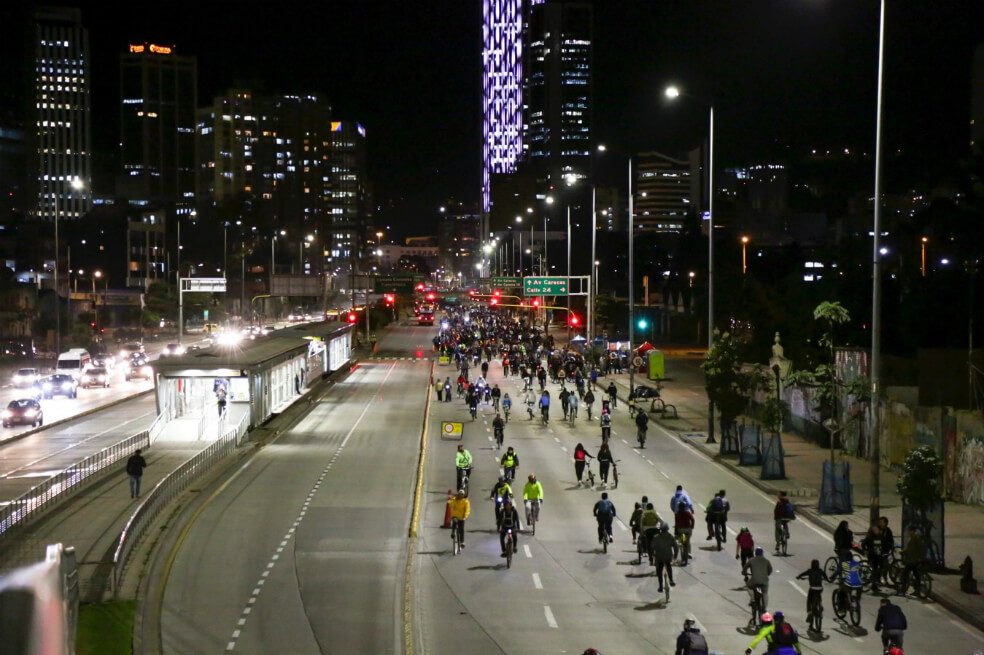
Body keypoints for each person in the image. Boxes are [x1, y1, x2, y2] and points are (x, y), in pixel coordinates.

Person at [795, 559, 825, 630]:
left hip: (812, 589)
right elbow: (826, 577)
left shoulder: (810, 571)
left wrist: (798, 576)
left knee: (809, 601)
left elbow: (802, 574)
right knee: (818, 595)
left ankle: (810, 612)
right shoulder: (820, 571)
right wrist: (828, 579)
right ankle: (820, 604)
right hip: (820, 588)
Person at [899, 526, 927, 595]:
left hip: (913, 561)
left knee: (905, 574)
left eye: (910, 531)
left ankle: (903, 590)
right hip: (912, 560)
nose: (909, 532)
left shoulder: (916, 538)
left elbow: (922, 549)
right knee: (916, 575)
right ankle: (916, 590)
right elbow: (909, 549)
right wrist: (903, 552)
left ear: (913, 531)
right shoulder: (913, 538)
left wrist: (920, 558)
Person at [651, 524, 678, 591]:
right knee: (668, 566)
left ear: (660, 529)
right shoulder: (670, 537)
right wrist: (675, 556)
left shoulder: (656, 537)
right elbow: (676, 547)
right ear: (668, 529)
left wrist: (652, 555)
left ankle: (660, 586)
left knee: (659, 570)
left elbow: (652, 547)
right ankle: (671, 580)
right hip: (668, 556)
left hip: (659, 556)